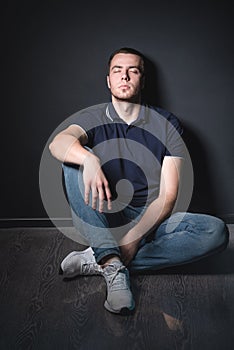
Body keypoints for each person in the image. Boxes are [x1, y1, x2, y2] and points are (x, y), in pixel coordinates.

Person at [49, 47, 229, 314]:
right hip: (102, 214)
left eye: (133, 70)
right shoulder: (92, 117)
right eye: (117, 71)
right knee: (72, 161)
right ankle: (112, 266)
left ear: (142, 80)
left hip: (151, 217)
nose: (125, 76)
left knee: (216, 232)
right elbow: (58, 143)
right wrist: (89, 160)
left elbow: (169, 195)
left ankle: (101, 259)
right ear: (108, 80)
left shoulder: (166, 123)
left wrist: (134, 237)